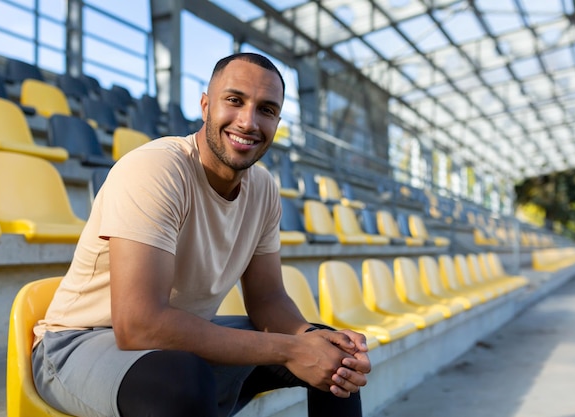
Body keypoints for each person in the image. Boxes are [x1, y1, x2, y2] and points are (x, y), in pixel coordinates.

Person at [32, 52, 371, 417]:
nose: (248, 121)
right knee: (182, 381)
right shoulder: (157, 169)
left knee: (337, 359)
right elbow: (138, 326)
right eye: (235, 100)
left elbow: (268, 298)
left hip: (179, 346)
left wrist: (307, 340)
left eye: (266, 110)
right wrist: (289, 350)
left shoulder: (264, 190)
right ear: (206, 106)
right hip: (81, 344)